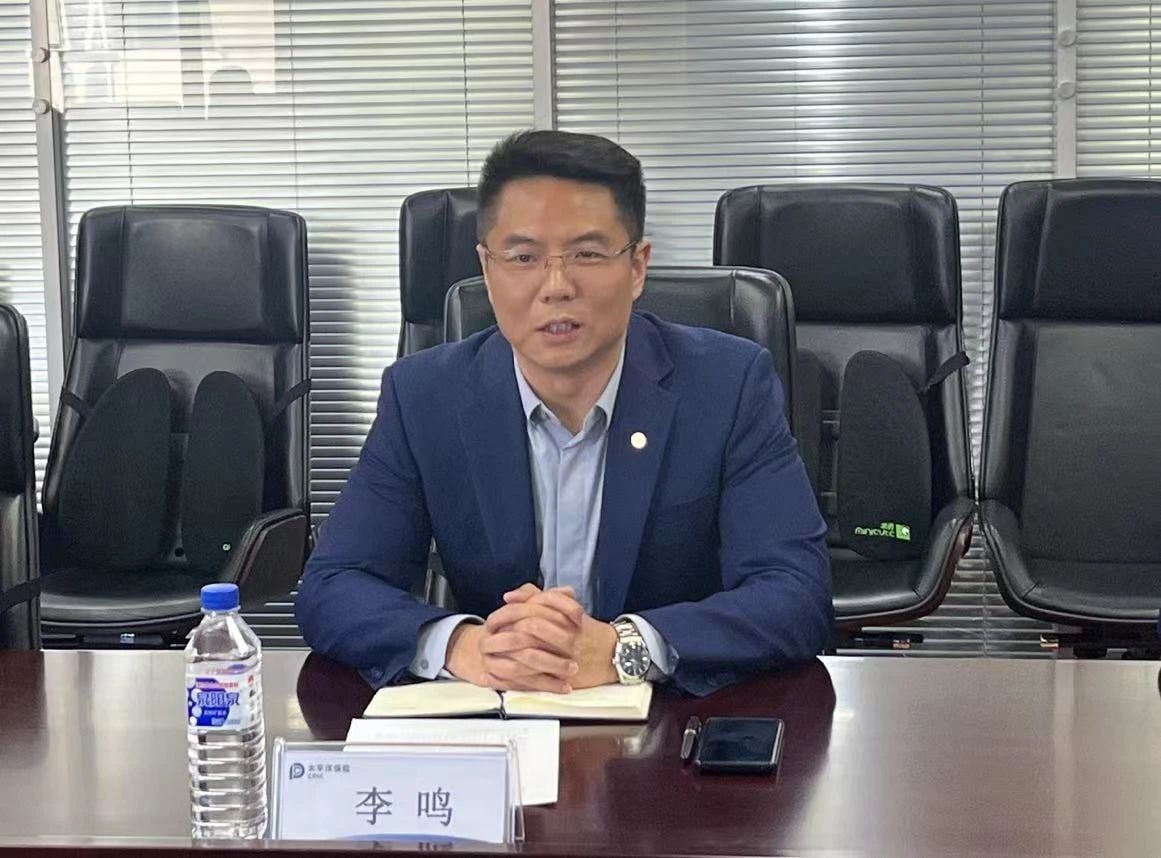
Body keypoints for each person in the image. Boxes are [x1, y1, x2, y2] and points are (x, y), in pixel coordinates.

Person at [296, 130, 832, 697]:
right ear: (487, 268)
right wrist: (465, 646)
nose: (555, 286)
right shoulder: (424, 396)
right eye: (523, 257)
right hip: (499, 716)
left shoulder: (727, 385)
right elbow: (334, 585)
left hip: (673, 719)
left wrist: (626, 647)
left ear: (637, 267)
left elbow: (796, 592)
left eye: (588, 254)